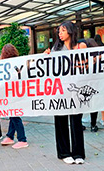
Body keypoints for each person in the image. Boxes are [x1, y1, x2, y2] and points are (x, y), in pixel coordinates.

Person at [44, 21, 87, 165]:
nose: (60, 33)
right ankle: (64, 152)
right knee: (61, 121)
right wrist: (44, 57)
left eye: (63, 30)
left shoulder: (80, 46)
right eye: (59, 31)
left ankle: (78, 153)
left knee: (76, 122)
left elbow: (88, 65)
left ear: (70, 31)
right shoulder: (55, 49)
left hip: (76, 89)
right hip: (59, 90)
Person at [0, 44, 29, 149]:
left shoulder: (5, 65)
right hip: (17, 93)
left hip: (11, 93)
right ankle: (10, 136)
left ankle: (22, 139)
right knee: (12, 115)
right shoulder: (19, 63)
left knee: (15, 116)